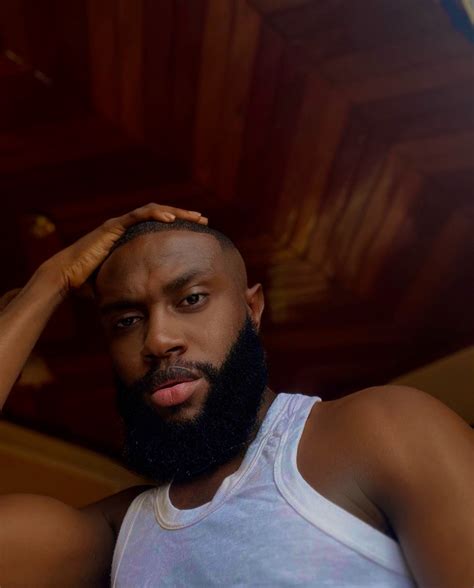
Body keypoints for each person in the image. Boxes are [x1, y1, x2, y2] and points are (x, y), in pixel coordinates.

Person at [0, 203, 472, 587]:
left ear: (252, 309)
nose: (158, 340)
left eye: (191, 299)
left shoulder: (382, 429)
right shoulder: (115, 537)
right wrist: (52, 280)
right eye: (126, 321)